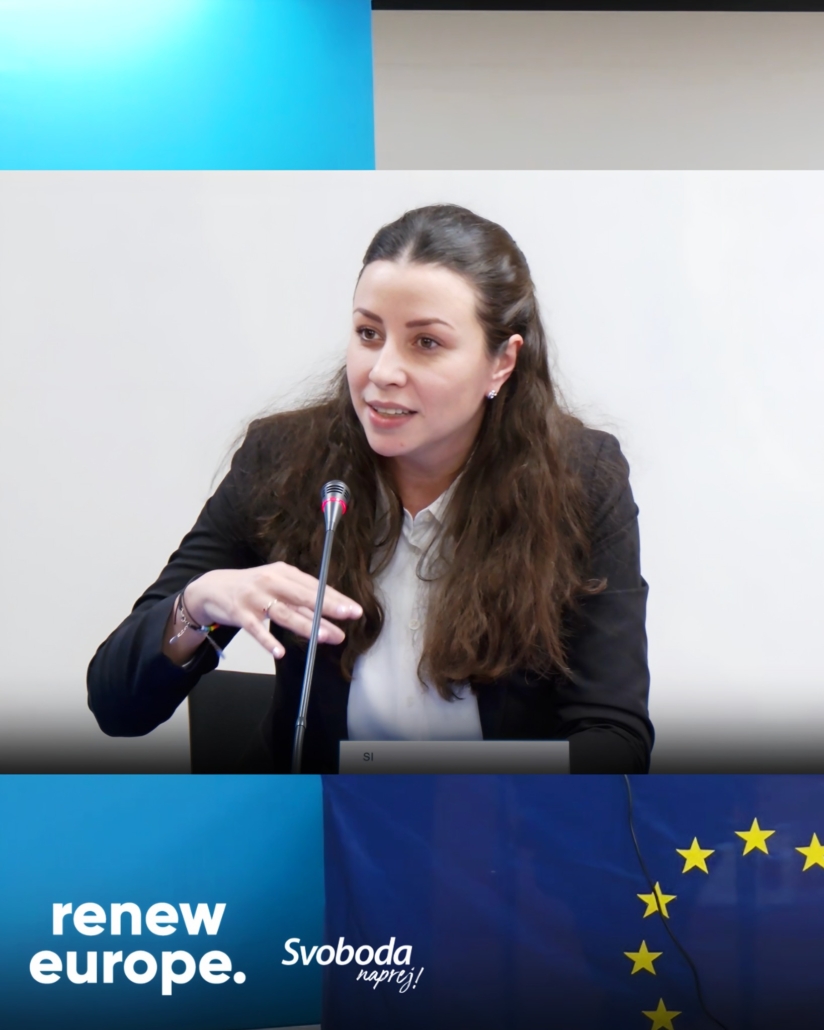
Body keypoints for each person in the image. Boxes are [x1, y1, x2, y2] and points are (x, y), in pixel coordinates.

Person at [87, 204, 653, 773]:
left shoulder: (582, 478)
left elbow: (614, 740)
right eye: (368, 333)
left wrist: (453, 793)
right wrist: (197, 603)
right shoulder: (282, 463)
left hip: (502, 816)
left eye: (425, 342)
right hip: (324, 814)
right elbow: (117, 706)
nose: (382, 372)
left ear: (501, 362)